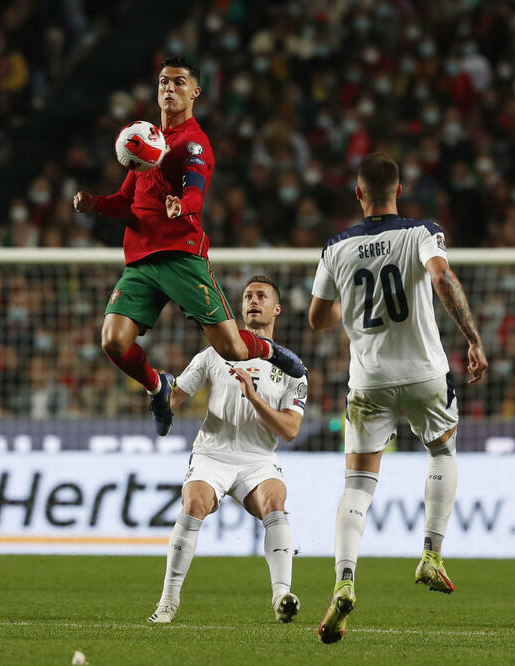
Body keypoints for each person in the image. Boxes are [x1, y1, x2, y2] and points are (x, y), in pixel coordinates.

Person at [73, 56, 305, 437]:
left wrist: (183, 205)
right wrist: (95, 203)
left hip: (182, 257)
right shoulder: (146, 142)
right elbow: (126, 201)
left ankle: (271, 351)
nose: (169, 88)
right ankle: (158, 387)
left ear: (195, 92)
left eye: (179, 83)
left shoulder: (193, 143)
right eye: (164, 82)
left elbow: (195, 191)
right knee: (113, 342)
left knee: (232, 349)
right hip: (141, 263)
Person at [308, 152, 488, 644]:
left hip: (369, 382)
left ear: (359, 194)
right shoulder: (420, 232)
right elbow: (441, 278)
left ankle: (345, 581)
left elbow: (317, 319)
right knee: (443, 450)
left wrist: (351, 296)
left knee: (359, 484)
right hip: (426, 374)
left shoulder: (336, 247)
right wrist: (472, 338)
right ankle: (431, 552)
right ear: (399, 190)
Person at [148, 276, 308, 625]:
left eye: (262, 295)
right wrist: (157, 389)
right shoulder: (212, 354)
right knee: (194, 505)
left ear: (276, 309)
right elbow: (174, 397)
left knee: (275, 504)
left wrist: (254, 398)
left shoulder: (292, 369)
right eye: (248, 295)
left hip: (258, 460)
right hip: (212, 454)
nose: (253, 300)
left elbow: (291, 430)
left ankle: (282, 595)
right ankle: (168, 601)